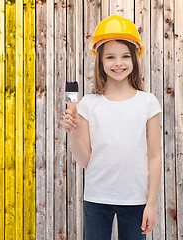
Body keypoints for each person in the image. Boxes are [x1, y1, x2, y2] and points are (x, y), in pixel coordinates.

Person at [62, 15, 162, 240]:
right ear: (100, 61)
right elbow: (85, 161)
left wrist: (151, 204)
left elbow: (155, 156)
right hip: (97, 198)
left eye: (125, 56)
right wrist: (75, 132)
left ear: (135, 59)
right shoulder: (88, 104)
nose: (119, 63)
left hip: (136, 200)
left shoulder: (147, 102)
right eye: (110, 57)